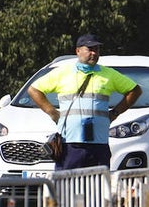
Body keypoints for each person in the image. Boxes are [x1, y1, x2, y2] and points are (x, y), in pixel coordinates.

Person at [28, 33, 142, 170]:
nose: (94, 53)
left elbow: (135, 91)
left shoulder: (109, 74)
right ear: (78, 51)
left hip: (99, 143)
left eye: (97, 49)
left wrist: (115, 112)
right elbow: (34, 90)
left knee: (98, 187)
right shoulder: (63, 73)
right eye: (89, 49)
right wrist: (52, 112)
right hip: (70, 142)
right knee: (66, 186)